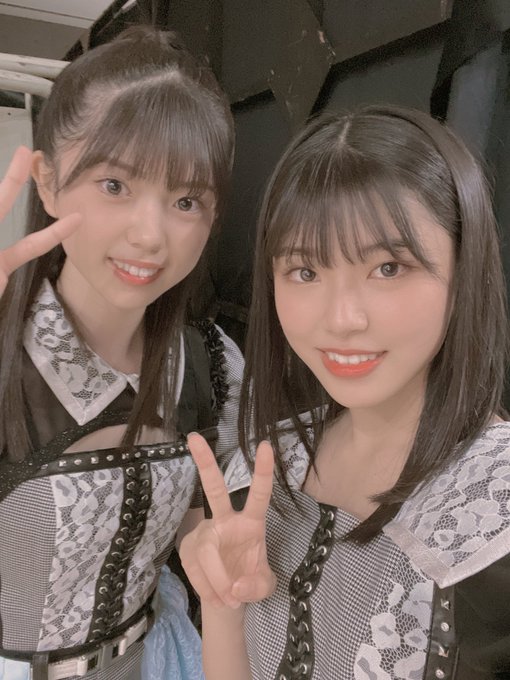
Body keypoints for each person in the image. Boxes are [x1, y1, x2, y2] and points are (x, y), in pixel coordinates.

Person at [180, 105, 510, 680]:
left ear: (465, 269)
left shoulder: (493, 509)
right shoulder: (269, 466)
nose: (341, 319)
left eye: (389, 267)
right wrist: (220, 598)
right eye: (305, 271)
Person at [0, 25, 243, 680]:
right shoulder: (7, 354)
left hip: (162, 659)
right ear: (47, 182)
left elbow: (196, 530)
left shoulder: (203, 361)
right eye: (115, 185)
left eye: (186, 200)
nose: (150, 234)